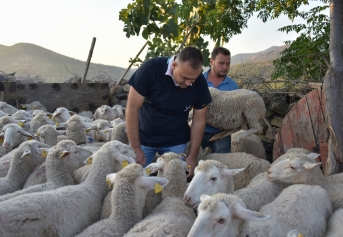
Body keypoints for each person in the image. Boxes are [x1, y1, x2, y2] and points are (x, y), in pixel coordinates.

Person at [126, 46, 212, 177]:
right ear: (174, 65)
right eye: (184, 77)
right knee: (135, 178)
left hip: (175, 141)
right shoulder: (151, 69)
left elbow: (199, 120)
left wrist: (192, 156)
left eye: (193, 79)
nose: (189, 83)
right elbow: (132, 108)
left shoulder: (199, 83)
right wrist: (135, 148)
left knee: (174, 183)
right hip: (144, 138)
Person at [201, 47, 239, 153]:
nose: (225, 67)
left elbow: (236, 110)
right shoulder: (199, 81)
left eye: (228, 64)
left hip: (222, 134)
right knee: (193, 163)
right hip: (199, 131)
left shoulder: (233, 86)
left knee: (222, 165)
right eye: (221, 63)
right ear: (211, 61)